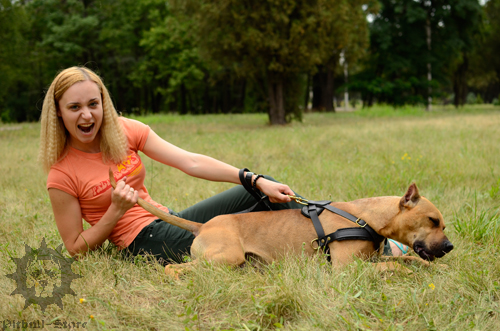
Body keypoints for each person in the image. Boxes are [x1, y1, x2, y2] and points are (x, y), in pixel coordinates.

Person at [39, 66, 407, 264]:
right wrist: (115, 212)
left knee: (269, 193)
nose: (87, 115)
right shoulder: (62, 174)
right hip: (141, 244)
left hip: (165, 218)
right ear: (59, 113)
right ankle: (347, 250)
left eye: (93, 103)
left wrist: (253, 178)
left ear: (104, 103)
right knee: (243, 234)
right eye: (74, 107)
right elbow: (75, 247)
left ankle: (344, 241)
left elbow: (190, 161)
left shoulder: (123, 132)